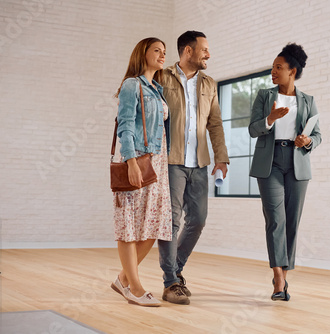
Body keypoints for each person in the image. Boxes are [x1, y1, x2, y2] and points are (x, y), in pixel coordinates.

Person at [158, 30, 229, 305]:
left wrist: (221, 157)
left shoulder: (209, 84)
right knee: (171, 221)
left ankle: (175, 270)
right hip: (171, 161)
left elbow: (215, 123)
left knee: (197, 220)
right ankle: (170, 282)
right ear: (188, 51)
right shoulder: (162, 77)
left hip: (199, 163)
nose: (208, 54)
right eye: (204, 49)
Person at [248, 43, 322, 301]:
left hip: (297, 162)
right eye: (272, 68)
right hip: (270, 162)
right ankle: (279, 278)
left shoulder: (308, 101)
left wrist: (308, 141)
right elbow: (253, 129)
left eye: (278, 67)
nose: (273, 72)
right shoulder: (264, 96)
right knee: (275, 220)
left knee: (292, 221)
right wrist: (270, 119)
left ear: (293, 71)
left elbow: (318, 135)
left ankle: (284, 274)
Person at [111, 37, 172, 307]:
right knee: (129, 226)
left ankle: (122, 279)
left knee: (155, 224)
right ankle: (135, 288)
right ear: (143, 54)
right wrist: (131, 161)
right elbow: (124, 125)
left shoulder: (157, 89)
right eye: (156, 50)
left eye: (164, 52)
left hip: (158, 162)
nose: (162, 55)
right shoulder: (131, 85)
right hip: (138, 159)